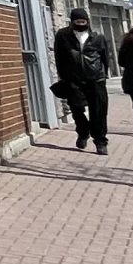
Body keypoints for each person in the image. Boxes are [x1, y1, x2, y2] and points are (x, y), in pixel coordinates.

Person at [53, 9, 113, 155]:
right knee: (76, 108)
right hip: (73, 78)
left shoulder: (97, 36)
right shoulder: (63, 35)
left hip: (95, 78)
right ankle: (83, 131)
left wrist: (104, 74)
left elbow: (105, 56)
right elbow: (59, 56)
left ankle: (100, 141)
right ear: (72, 22)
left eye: (83, 22)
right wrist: (63, 76)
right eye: (78, 22)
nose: (81, 25)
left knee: (98, 111)